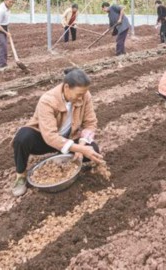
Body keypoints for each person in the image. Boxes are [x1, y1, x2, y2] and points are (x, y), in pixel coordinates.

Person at [11, 68, 104, 197]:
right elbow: (50, 136)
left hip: (69, 137)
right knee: (22, 138)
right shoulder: (47, 100)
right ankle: (21, 176)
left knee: (93, 149)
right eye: (79, 94)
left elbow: (90, 123)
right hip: (44, 139)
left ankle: (64, 156)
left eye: (84, 94)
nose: (81, 97)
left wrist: (81, 146)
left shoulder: (85, 96)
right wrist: (79, 149)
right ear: (66, 87)